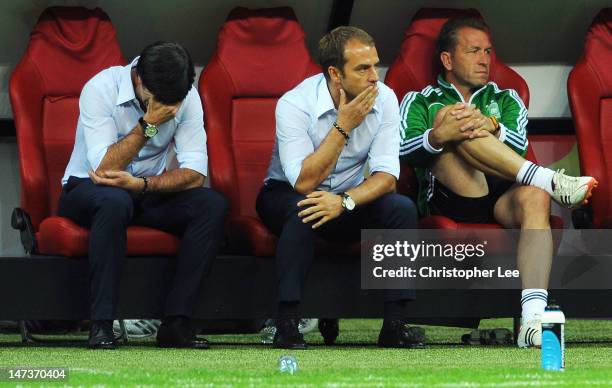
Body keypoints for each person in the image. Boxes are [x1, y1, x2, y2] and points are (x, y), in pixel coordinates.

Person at [398, 17, 597, 348]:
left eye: (488, 51)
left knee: (535, 197)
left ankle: (532, 321)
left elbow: (519, 145)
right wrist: (440, 135)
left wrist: (491, 125)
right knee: (450, 118)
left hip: (503, 195)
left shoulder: (507, 97)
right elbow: (403, 149)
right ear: (447, 60)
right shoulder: (419, 99)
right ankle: (550, 179)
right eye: (474, 51)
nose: (484, 60)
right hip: (453, 195)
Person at [256, 26, 423, 350]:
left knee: (401, 208)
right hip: (285, 193)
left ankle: (395, 325)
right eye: (363, 68)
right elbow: (304, 182)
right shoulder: (295, 103)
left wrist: (344, 202)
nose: (375, 76)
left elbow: (387, 176)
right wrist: (343, 125)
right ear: (335, 73)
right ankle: (287, 323)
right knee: (304, 208)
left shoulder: (386, 98)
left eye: (375, 65)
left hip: (346, 197)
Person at [59, 42, 228, 349]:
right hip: (87, 188)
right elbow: (104, 169)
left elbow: (195, 173)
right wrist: (148, 125)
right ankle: (101, 325)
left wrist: (144, 186)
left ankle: (176, 323)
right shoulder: (100, 89)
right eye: (164, 104)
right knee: (114, 201)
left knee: (212, 205)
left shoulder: (185, 97)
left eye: (176, 103)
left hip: (143, 190)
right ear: (140, 82)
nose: (172, 110)